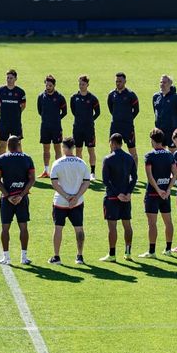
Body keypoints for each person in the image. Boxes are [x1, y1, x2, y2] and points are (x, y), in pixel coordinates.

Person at [48, 137, 91, 265]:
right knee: (79, 229)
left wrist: (66, 196)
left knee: (58, 228)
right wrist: (76, 197)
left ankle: (56, 257)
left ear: (64, 148)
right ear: (73, 148)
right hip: (77, 202)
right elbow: (86, 182)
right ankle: (80, 256)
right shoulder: (81, 163)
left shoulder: (58, 163)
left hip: (60, 201)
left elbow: (54, 183)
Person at [0, 135, 35, 265]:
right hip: (22, 199)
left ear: (7, 145)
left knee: (5, 228)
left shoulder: (1, 159)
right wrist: (21, 195)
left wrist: (8, 196)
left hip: (7, 200)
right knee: (23, 227)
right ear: (18, 145)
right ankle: (24, 257)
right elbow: (32, 179)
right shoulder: (27, 159)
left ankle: (6, 257)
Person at [139, 128, 177, 258]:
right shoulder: (170, 155)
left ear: (153, 141)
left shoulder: (149, 156)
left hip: (152, 195)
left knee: (152, 223)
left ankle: (152, 251)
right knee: (168, 221)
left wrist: (158, 190)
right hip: (165, 195)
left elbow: (150, 176)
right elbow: (175, 175)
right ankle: (168, 249)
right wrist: (167, 190)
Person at [100, 133, 137, 262]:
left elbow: (105, 180)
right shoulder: (129, 158)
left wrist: (117, 194)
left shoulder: (108, 159)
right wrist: (128, 193)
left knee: (112, 227)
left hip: (112, 198)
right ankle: (128, 253)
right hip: (126, 198)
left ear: (113, 143)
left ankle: (112, 254)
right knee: (127, 225)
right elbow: (134, 178)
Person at [70, 75, 101, 179]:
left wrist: (90, 120)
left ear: (87, 84)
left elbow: (97, 112)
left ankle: (92, 172)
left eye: (83, 84)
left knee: (91, 149)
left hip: (89, 129)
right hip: (77, 128)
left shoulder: (92, 98)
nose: (81, 86)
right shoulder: (74, 98)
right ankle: (80, 171)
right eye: (80, 84)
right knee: (78, 150)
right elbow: (73, 111)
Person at [37, 75, 67, 178]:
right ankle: (46, 170)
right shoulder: (41, 97)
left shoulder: (59, 97)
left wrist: (56, 119)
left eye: (50, 85)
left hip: (56, 128)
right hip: (45, 127)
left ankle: (58, 171)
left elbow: (64, 112)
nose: (48, 87)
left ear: (54, 85)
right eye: (46, 85)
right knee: (46, 149)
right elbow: (40, 111)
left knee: (57, 149)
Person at [107, 72, 140, 165]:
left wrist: (128, 118)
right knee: (112, 150)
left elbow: (136, 110)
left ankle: (134, 175)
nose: (118, 83)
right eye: (116, 81)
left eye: (120, 81)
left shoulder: (131, 95)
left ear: (125, 81)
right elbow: (110, 108)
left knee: (132, 150)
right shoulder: (112, 94)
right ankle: (113, 173)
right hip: (115, 126)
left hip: (127, 127)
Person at [152, 75, 177, 152]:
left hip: (171, 131)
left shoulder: (176, 98)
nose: (162, 84)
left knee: (173, 153)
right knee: (159, 153)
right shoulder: (156, 97)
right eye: (161, 82)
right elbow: (155, 111)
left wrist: (175, 124)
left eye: (164, 82)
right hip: (159, 131)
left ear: (170, 84)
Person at [0, 69, 26, 155]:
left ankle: (20, 166)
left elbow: (23, 106)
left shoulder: (20, 92)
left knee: (18, 145)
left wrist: (16, 113)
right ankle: (0, 166)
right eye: (7, 78)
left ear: (15, 79)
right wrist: (3, 113)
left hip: (16, 123)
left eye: (11, 78)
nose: (9, 80)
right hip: (3, 123)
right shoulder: (0, 91)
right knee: (2, 145)